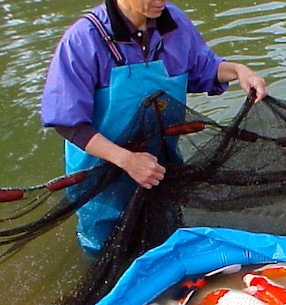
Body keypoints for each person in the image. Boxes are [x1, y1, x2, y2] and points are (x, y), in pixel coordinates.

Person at [41, 0, 267, 255]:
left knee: (165, 241)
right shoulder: (83, 41)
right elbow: (68, 124)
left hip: (160, 166)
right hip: (101, 176)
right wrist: (127, 160)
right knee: (108, 252)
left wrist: (238, 70)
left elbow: (204, 68)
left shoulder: (174, 23)